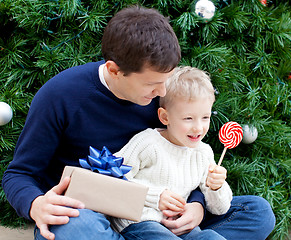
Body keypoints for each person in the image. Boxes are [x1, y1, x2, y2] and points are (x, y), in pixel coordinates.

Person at [2, 5, 275, 240]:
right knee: (76, 228)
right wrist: (35, 204)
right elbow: (19, 174)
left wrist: (197, 206)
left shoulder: (162, 93)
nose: (162, 93)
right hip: (87, 213)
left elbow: (188, 160)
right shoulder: (60, 95)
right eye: (152, 85)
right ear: (114, 70)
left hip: (158, 214)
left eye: (165, 82)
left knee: (257, 212)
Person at [110, 66, 232, 240]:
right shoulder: (148, 143)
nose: (198, 127)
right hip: (141, 222)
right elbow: (115, 181)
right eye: (188, 118)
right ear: (165, 117)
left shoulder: (203, 153)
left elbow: (220, 209)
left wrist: (216, 187)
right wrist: (155, 196)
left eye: (205, 117)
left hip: (180, 227)